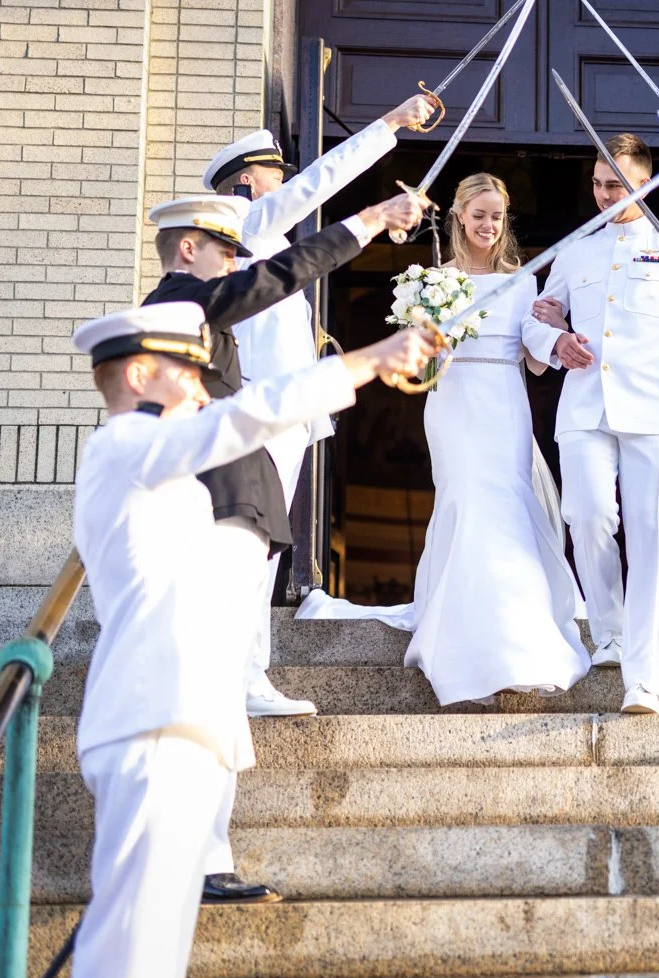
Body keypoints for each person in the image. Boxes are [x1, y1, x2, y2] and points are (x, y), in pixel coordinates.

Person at [68, 301, 432, 978]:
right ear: (142, 374)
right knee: (130, 956)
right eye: (190, 371)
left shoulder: (161, 473)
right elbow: (241, 418)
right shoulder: (121, 447)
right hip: (150, 719)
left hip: (187, 718)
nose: (206, 388)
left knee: (157, 958)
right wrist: (367, 360)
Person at [141, 189, 428, 904]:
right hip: (212, 513)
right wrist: (366, 223)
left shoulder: (198, 317)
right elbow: (279, 277)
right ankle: (195, 856)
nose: (240, 264)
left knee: (218, 685)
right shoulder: (179, 303)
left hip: (240, 512)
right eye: (228, 251)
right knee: (204, 686)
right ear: (188, 250)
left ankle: (208, 852)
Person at [297, 173, 592, 705]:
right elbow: (422, 357)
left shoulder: (523, 280)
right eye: (479, 215)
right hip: (453, 404)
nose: (488, 225)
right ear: (459, 216)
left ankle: (515, 627)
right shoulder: (434, 280)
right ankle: (468, 629)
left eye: (497, 216)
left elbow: (533, 358)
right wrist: (425, 335)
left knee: (503, 502)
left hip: (505, 400)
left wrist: (556, 332)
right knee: (466, 500)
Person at [201, 94, 437, 720]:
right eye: (275, 177)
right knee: (249, 549)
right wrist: (388, 125)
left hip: (281, 414)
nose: (288, 186)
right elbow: (317, 184)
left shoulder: (264, 238)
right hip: (255, 413)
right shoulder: (239, 218)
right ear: (249, 183)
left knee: (264, 550)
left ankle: (249, 675)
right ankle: (240, 678)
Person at [522, 133, 659, 715]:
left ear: (644, 183)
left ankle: (645, 680)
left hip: (653, 411)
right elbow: (534, 321)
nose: (603, 193)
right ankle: (608, 631)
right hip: (585, 407)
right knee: (585, 515)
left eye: (614, 184)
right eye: (597, 183)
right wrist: (556, 340)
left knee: (652, 540)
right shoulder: (576, 251)